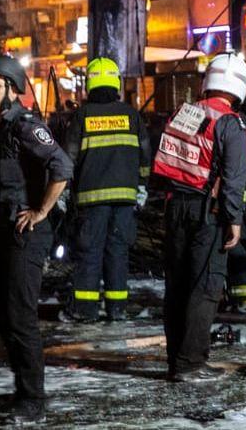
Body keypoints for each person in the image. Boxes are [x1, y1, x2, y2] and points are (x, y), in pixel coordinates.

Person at [0, 55, 73, 420]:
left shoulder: (26, 126)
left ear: (13, 90)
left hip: (27, 234)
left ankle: (34, 399)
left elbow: (61, 166)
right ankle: (22, 390)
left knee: (19, 314)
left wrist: (42, 210)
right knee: (0, 311)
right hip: (4, 232)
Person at [151, 53, 246, 382]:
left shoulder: (185, 113)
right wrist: (234, 220)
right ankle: (191, 362)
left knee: (178, 286)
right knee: (205, 286)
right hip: (206, 212)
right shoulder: (231, 123)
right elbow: (234, 179)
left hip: (174, 206)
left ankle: (175, 359)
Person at [60, 58, 151, 323]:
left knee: (89, 252)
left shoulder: (83, 116)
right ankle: (117, 308)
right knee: (118, 252)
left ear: (90, 84)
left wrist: (63, 191)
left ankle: (85, 310)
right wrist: (142, 187)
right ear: (116, 83)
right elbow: (145, 156)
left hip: (91, 200)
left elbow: (68, 158)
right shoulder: (131, 115)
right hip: (125, 199)